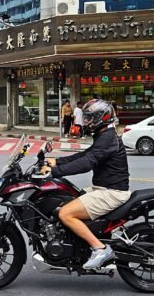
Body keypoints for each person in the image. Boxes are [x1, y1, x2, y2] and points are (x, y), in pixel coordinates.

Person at [40, 100, 130, 270]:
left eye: (90, 118)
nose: (86, 122)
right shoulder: (104, 136)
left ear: (101, 118)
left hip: (111, 192)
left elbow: (87, 162)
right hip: (104, 188)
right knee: (64, 199)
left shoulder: (108, 138)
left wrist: (54, 172)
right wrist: (57, 162)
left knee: (66, 213)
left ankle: (100, 249)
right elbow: (86, 154)